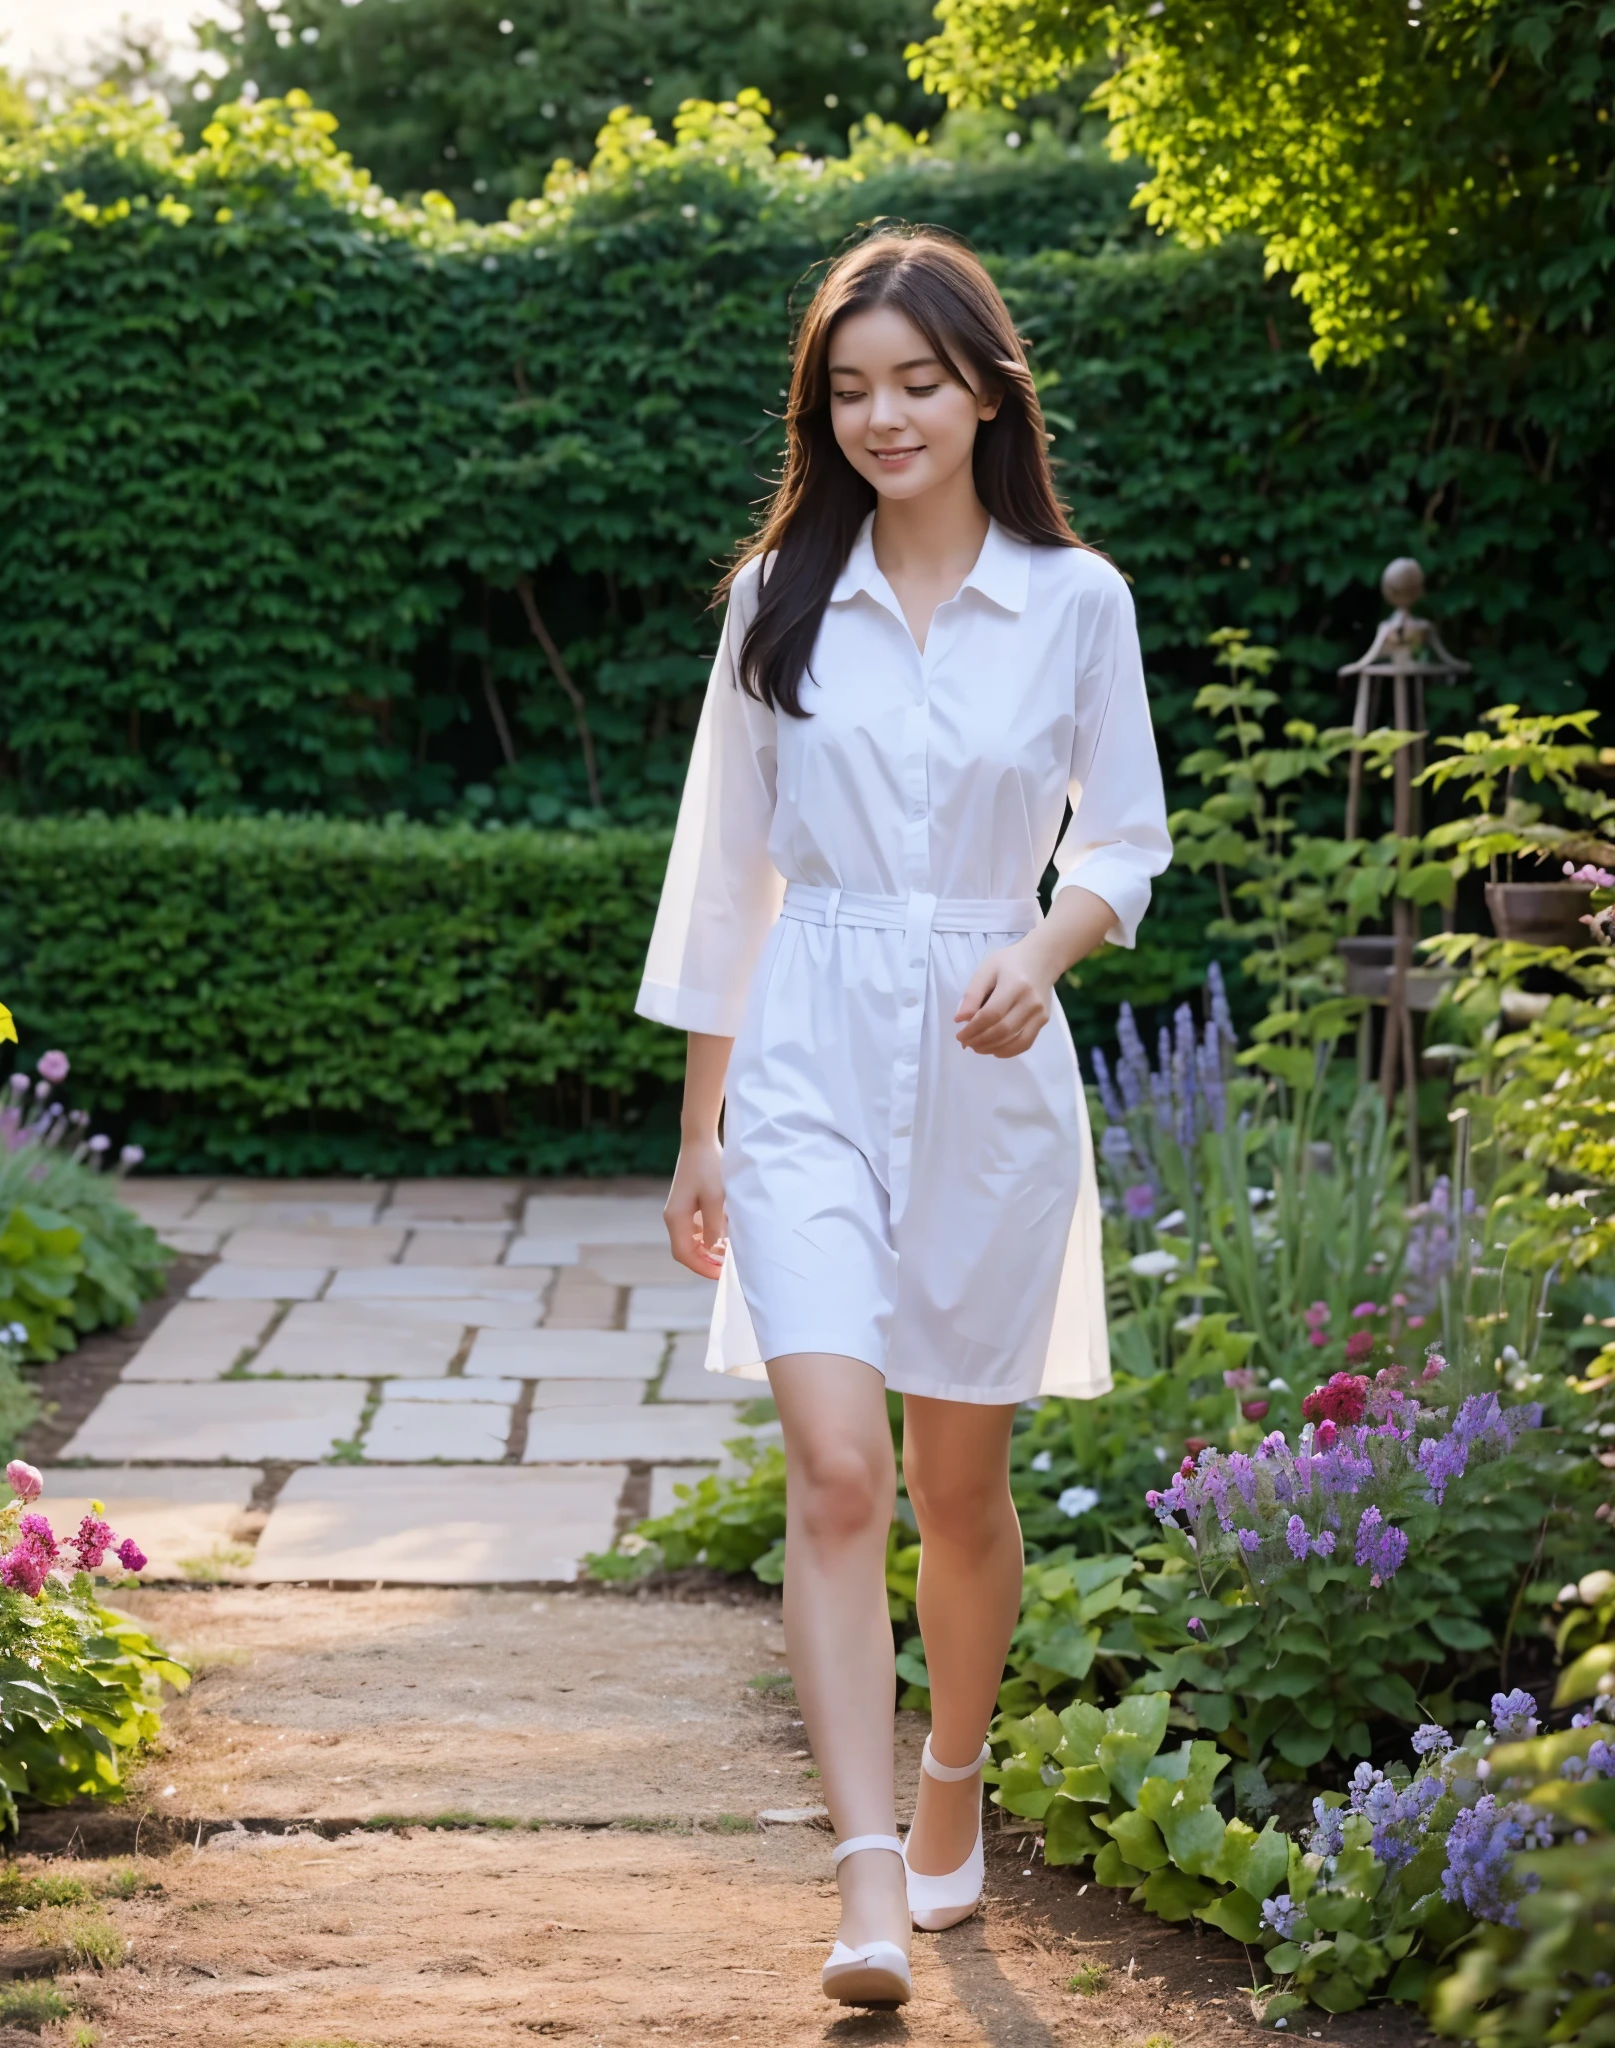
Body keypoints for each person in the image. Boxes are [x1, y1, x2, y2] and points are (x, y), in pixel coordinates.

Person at [637, 230, 1170, 2009]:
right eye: (849, 388)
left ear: (985, 389)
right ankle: (867, 1882)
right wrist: (703, 1129)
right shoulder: (779, 597)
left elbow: (1124, 837)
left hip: (992, 1062)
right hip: (803, 1057)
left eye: (916, 383)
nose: (883, 415)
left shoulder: (1076, 600)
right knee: (841, 1468)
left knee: (961, 1491)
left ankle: (954, 1783)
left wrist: (1047, 945)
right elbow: (727, 878)